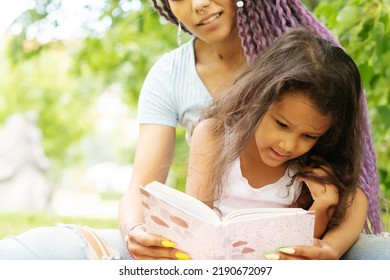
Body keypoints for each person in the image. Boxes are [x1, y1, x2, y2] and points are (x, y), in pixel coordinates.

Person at [0, 0, 388, 260]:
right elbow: (144, 189)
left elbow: (348, 198)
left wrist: (331, 246)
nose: (199, 3)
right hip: (204, 251)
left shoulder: (309, 70)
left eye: (305, 135)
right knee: (27, 252)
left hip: (291, 255)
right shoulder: (179, 87)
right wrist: (137, 231)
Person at [186, 27, 362, 258]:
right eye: (282, 124)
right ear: (258, 97)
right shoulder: (214, 136)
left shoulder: (307, 166)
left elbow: (356, 202)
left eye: (309, 136)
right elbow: (196, 223)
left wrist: (326, 220)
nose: (288, 145)